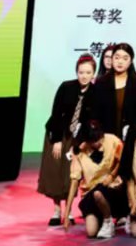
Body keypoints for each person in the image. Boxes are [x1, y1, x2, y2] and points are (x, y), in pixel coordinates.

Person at [41, 53, 102, 225]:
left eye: (88, 72)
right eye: (81, 72)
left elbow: (91, 121)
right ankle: (56, 210)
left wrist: (78, 144)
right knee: (55, 172)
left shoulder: (96, 93)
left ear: (93, 74)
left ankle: (68, 211)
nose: (84, 76)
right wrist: (57, 140)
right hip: (58, 134)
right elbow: (56, 114)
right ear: (77, 72)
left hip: (78, 138)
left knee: (71, 174)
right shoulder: (66, 87)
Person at [66, 118, 126, 240]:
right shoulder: (79, 153)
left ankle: (108, 221)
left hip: (111, 189)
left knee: (99, 193)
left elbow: (123, 160)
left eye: (100, 138)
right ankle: (102, 217)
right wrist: (67, 213)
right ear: (86, 141)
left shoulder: (113, 140)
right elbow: (74, 182)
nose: (98, 143)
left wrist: (112, 176)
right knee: (91, 232)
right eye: (94, 141)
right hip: (90, 195)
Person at [103, 44, 136, 140]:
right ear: (112, 59)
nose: (120, 62)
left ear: (131, 61)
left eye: (125, 58)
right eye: (117, 57)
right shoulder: (102, 82)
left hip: (131, 137)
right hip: (106, 137)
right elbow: (96, 112)